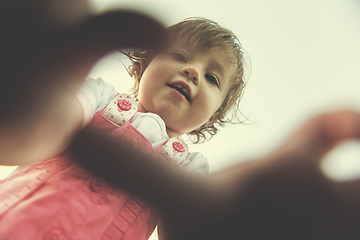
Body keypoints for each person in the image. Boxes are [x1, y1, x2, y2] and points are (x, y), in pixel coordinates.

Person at [0, 17, 246, 239]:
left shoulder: (191, 169)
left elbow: (184, 229)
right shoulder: (100, 97)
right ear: (144, 66)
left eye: (212, 78)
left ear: (214, 116)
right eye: (180, 56)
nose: (193, 71)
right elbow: (49, 126)